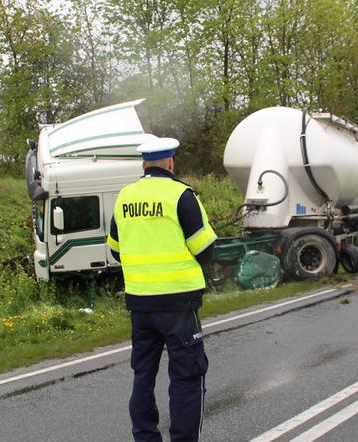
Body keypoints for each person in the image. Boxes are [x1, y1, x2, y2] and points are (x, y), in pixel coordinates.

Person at [108, 137, 218, 442]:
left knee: (143, 376)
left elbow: (115, 250)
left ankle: (145, 437)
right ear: (170, 163)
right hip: (179, 305)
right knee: (186, 377)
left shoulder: (124, 197)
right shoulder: (181, 195)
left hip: (140, 305)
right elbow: (205, 248)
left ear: (143, 164)